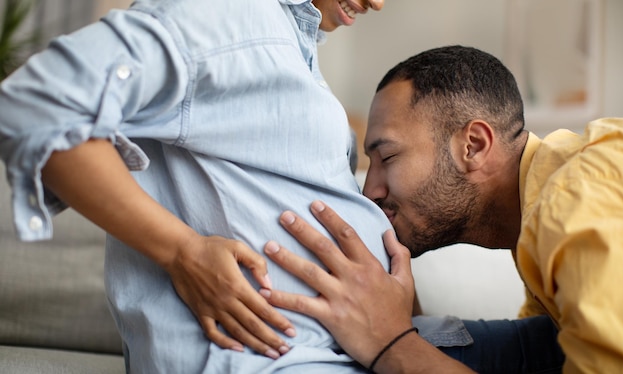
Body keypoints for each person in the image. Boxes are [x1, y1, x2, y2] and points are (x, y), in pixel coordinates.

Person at [0, 0, 433, 372]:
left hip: (353, 350)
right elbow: (35, 107)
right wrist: (181, 250)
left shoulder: (286, 43)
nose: (378, 3)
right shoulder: (224, 15)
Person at [259, 45, 623, 373]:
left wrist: (392, 342)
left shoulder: (570, 205)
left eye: (387, 156)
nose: (370, 191)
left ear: (473, 146)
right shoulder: (540, 204)